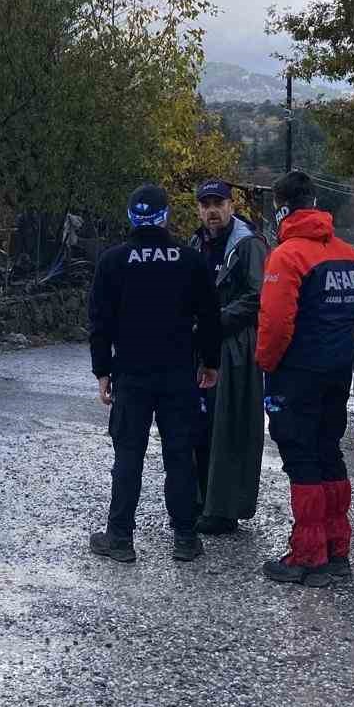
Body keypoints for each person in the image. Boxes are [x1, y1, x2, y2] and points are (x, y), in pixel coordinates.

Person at [87, 183, 221, 564]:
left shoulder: (113, 261)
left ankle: (120, 538)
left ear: (131, 216)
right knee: (180, 455)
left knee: (128, 454)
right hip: (179, 375)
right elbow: (210, 316)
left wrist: (102, 371)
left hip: (131, 374)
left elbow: (99, 321)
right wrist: (210, 363)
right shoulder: (189, 260)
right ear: (165, 216)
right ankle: (185, 537)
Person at [256, 171, 354, 586]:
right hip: (337, 370)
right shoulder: (349, 254)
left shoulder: (287, 256)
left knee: (301, 456)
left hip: (297, 372)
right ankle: (338, 549)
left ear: (282, 207)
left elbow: (275, 323)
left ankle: (307, 556)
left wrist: (266, 364)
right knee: (329, 452)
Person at [188, 179, 268, 535]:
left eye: (218, 203)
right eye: (205, 205)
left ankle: (224, 509)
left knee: (230, 428)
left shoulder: (248, 244)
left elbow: (256, 296)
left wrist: (211, 322)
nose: (212, 211)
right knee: (199, 426)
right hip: (201, 344)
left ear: (231, 205)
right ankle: (198, 500)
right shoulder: (197, 242)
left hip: (234, 345)